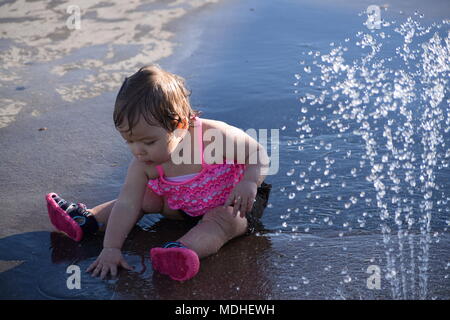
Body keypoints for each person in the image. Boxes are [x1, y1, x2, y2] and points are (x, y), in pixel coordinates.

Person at [46, 64, 272, 281]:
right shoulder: (143, 163)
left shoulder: (213, 137)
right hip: (183, 204)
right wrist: (111, 248)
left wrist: (250, 181)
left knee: (224, 221)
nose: (138, 151)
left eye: (148, 141)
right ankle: (88, 220)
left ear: (180, 125)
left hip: (234, 201)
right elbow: (127, 203)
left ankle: (183, 251)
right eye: (130, 142)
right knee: (145, 198)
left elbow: (258, 154)